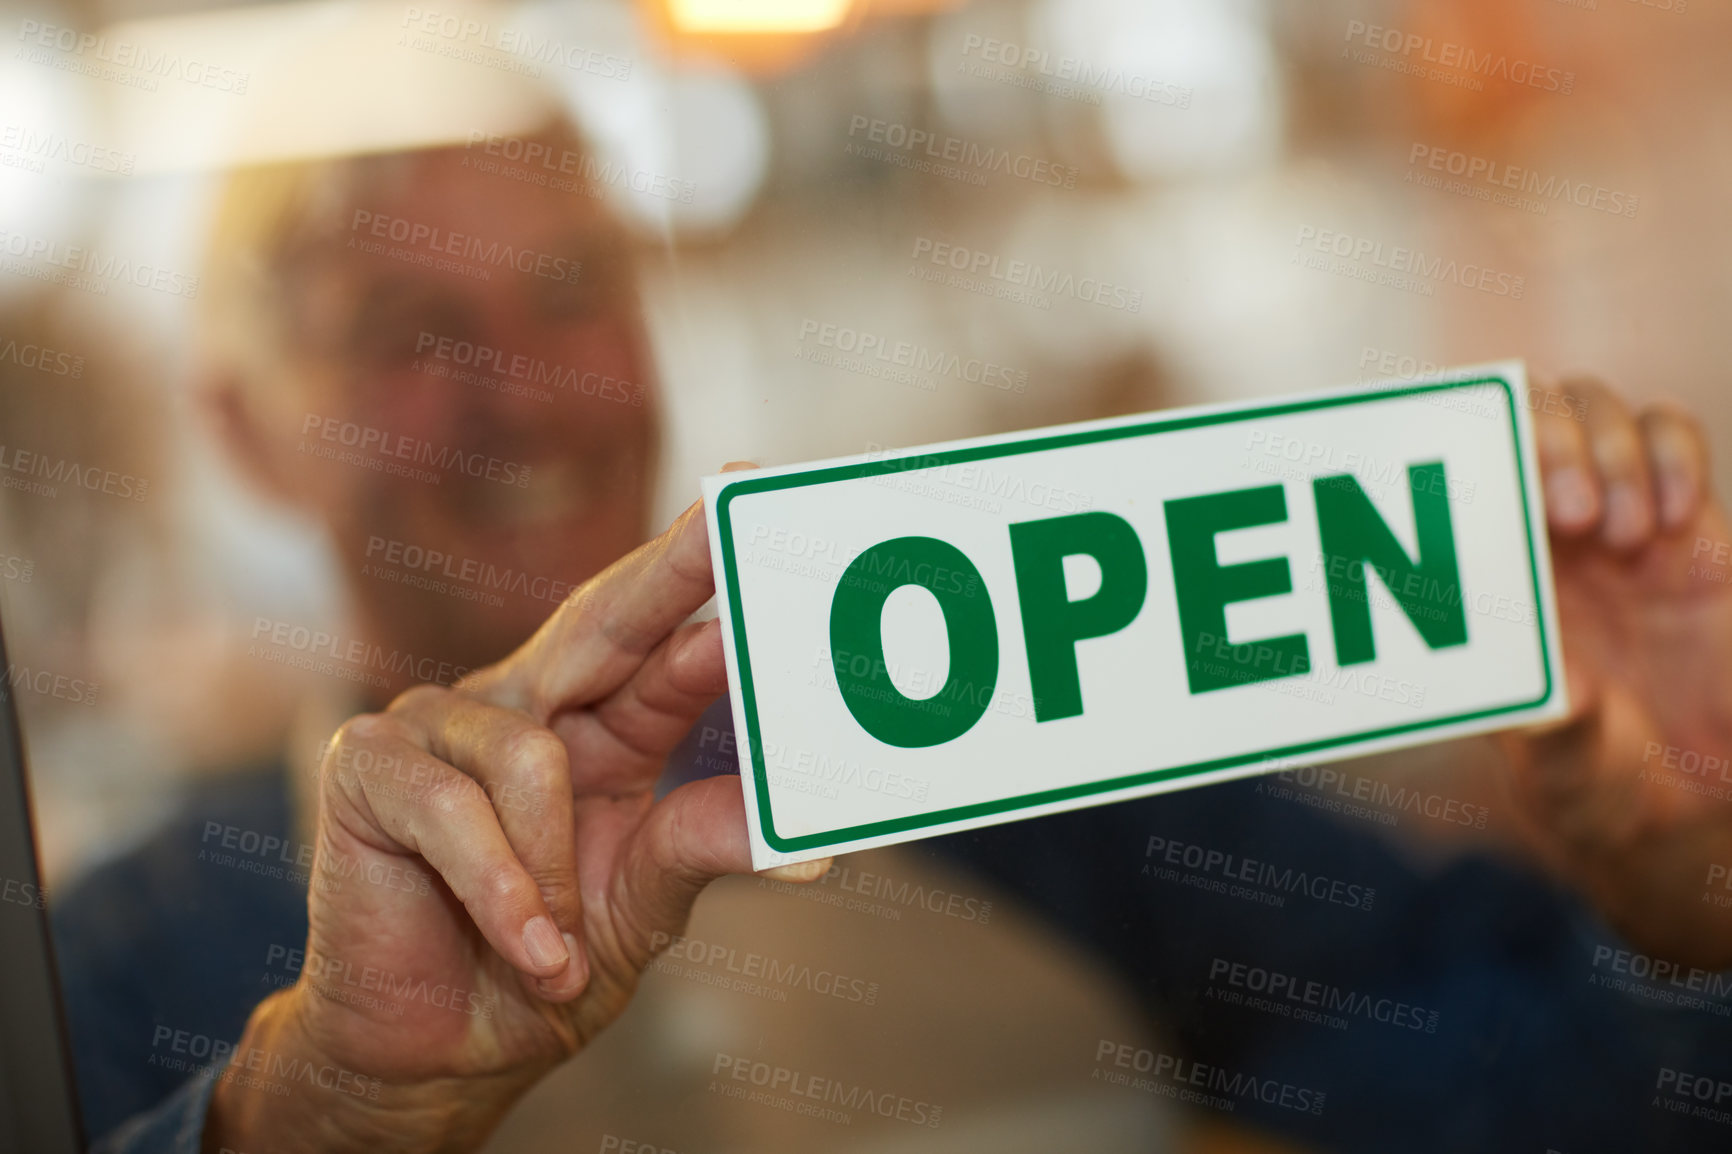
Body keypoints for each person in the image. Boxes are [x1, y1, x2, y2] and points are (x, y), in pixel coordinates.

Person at [52, 83, 1732, 1154]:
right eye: (406, 327)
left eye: (571, 292)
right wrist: (321, 1111)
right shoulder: (111, 967)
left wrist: (1685, 910)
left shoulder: (1002, 713)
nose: (524, 389)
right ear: (245, 427)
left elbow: (1534, 1082)